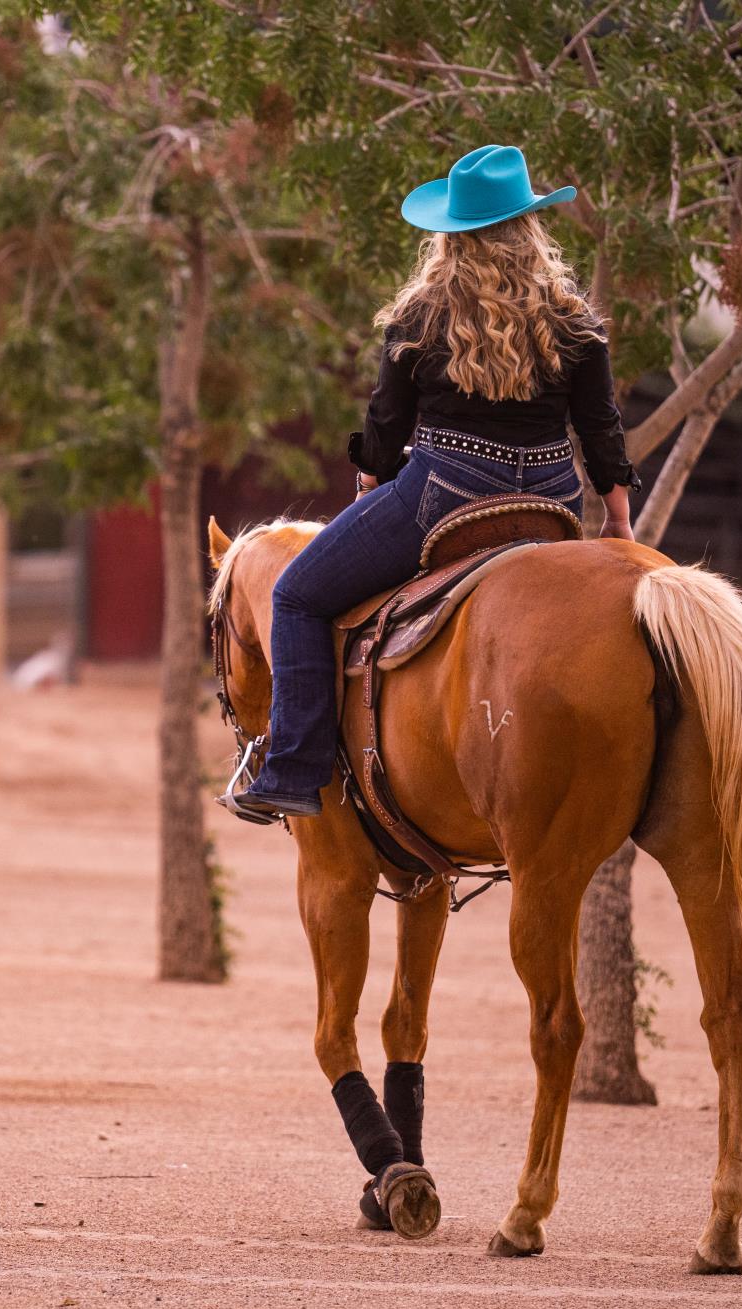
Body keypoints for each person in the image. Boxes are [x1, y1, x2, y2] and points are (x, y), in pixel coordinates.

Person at [227, 144, 637, 821]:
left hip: (442, 495)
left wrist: (366, 497)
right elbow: (602, 431)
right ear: (530, 227)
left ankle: (295, 771)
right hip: (550, 503)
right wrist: (617, 524)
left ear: (450, 237)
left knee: (298, 594)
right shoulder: (575, 321)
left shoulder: (419, 318)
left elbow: (385, 438)